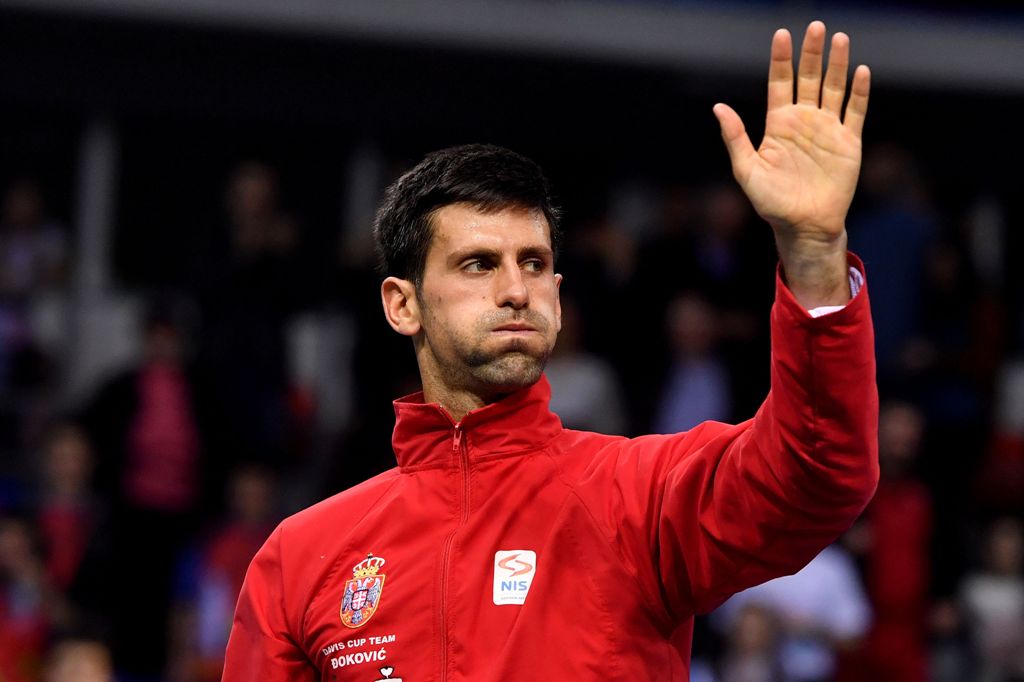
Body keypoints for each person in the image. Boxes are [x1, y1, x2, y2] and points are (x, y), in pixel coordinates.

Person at [224, 21, 877, 680]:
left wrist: (815, 255)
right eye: (479, 264)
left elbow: (817, 472)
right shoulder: (303, 559)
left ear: (558, 298)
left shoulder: (637, 500)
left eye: (533, 264)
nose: (516, 290)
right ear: (402, 304)